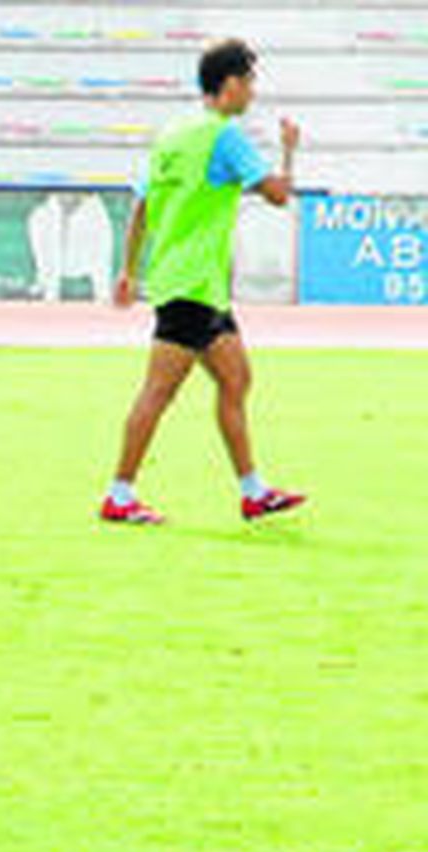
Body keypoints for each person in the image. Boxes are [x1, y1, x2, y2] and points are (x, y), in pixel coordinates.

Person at [100, 38, 306, 525]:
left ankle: (253, 492)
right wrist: (290, 152)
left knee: (236, 378)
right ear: (231, 83)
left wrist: (129, 269)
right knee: (158, 391)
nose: (253, 92)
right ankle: (119, 494)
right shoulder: (224, 136)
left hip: (193, 282)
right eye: (251, 81)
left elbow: (142, 207)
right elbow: (278, 195)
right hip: (193, 285)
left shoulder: (172, 134)